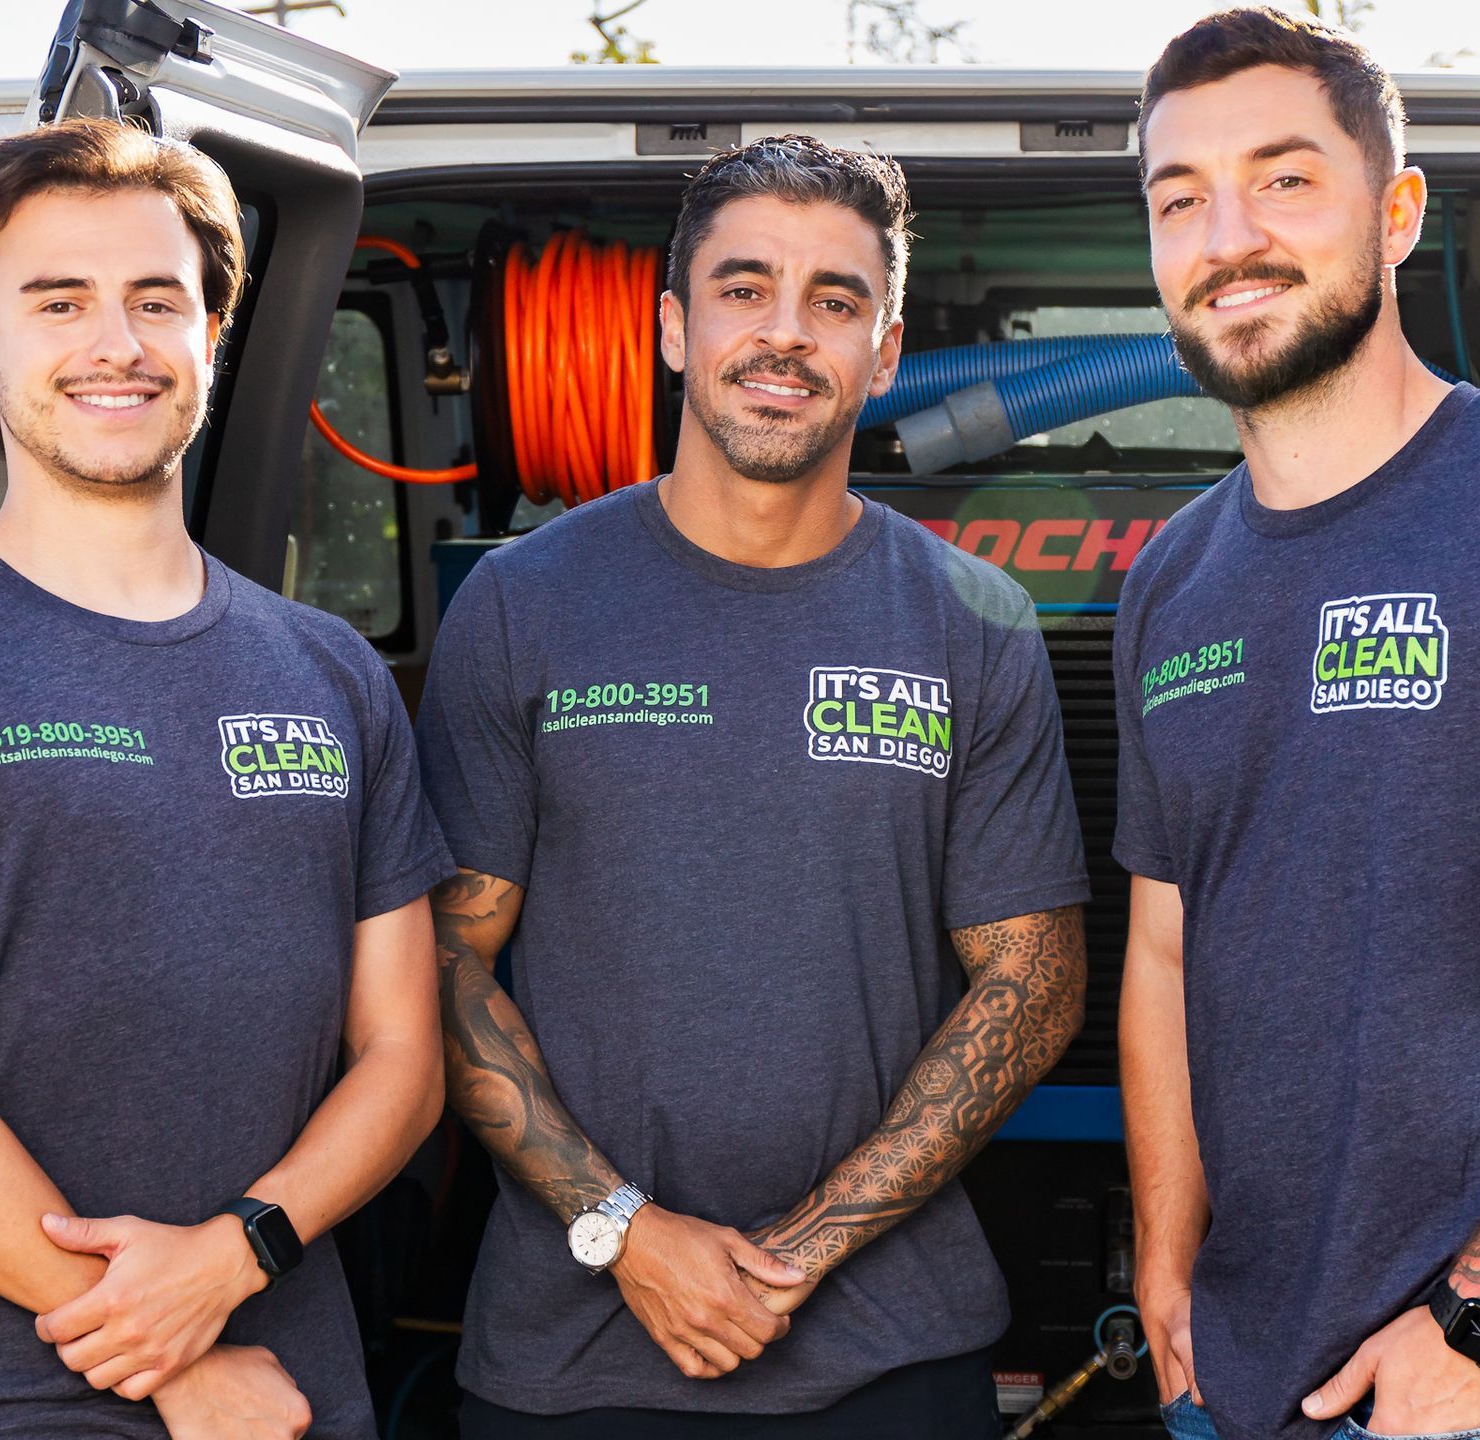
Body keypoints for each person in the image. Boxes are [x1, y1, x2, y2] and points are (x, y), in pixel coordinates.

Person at [0, 119, 456, 1439]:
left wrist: (238, 1253)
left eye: (159, 300)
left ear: (214, 332)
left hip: (294, 1398)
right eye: (59, 301)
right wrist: (181, 1363)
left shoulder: (331, 675)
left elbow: (403, 1057)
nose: (117, 344)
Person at [415, 134, 1090, 1438]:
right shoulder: (526, 606)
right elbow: (441, 962)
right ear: (673, 328)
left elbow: (1034, 981)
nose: (785, 335)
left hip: (891, 1361)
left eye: (835, 300)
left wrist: (804, 1250)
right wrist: (625, 1231)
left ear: (885, 355)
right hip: (572, 1369)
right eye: (743, 288)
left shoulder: (973, 622)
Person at [1115, 9, 1480, 1440]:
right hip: (1235, 1376)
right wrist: (1166, 1259)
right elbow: (1166, 942)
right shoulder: (1174, 581)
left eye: (1284, 177)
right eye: (1180, 199)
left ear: (1396, 212)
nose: (1227, 233)